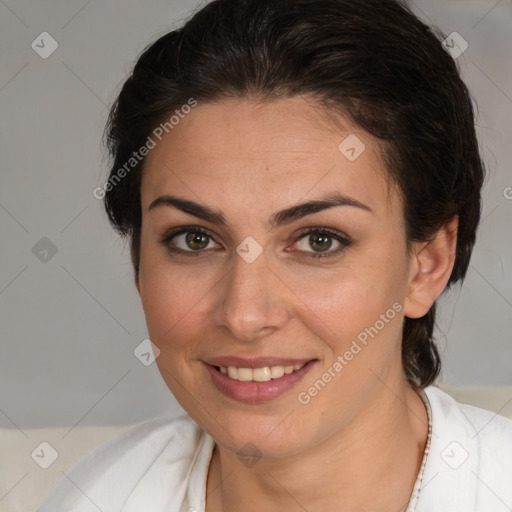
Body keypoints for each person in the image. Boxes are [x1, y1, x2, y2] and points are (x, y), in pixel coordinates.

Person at [38, 0, 512, 511]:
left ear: (427, 263)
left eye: (319, 241)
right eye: (195, 239)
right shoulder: (98, 496)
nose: (244, 316)